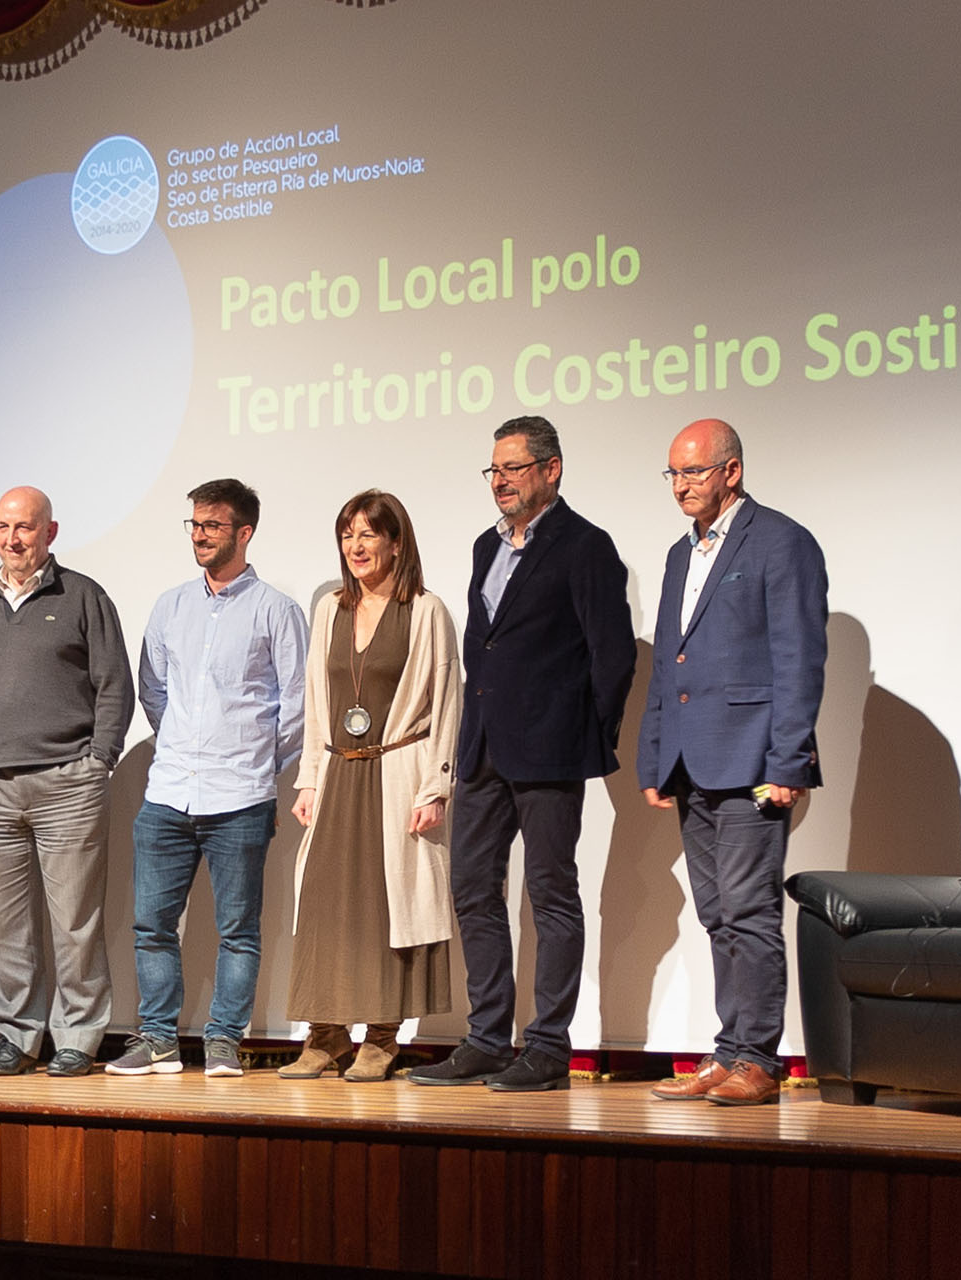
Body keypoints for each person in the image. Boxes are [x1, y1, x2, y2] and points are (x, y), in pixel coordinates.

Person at [410, 416, 635, 1093]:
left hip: (551, 752)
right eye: (494, 470)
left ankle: (547, 1047)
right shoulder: (487, 546)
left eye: (513, 468)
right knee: (473, 888)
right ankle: (486, 1038)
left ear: (551, 469)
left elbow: (613, 656)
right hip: (482, 750)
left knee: (549, 894)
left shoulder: (586, 546)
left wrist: (581, 733)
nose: (501, 481)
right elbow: (484, 648)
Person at [638, 419, 827, 1106]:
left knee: (749, 910)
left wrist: (789, 761)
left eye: (693, 472)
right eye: (674, 474)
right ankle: (727, 1051)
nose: (681, 486)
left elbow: (799, 659)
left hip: (754, 759)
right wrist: (657, 756)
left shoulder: (782, 543)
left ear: (731, 471)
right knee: (716, 912)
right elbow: (669, 662)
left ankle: (759, 1060)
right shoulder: (677, 555)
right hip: (693, 759)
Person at [104, 480, 308, 1079]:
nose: (199, 534)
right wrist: (184, 749)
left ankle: (223, 1040)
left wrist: (251, 763)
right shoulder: (169, 606)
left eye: (212, 525)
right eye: (194, 524)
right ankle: (159, 1040)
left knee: (238, 929)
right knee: (151, 926)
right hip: (168, 793)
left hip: (241, 796)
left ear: (244, 533)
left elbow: (294, 709)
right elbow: (154, 689)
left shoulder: (276, 610)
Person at [0, 486, 132, 1078]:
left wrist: (98, 759)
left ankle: (77, 1036)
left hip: (67, 783)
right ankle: (16, 1036)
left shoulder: (82, 596)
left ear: (50, 532)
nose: (12, 539)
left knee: (75, 921)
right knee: (4, 926)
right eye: (3, 527)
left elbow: (114, 686)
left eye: (25, 527)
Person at [280, 490, 462, 1083]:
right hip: (338, 772)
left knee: (390, 908)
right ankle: (324, 1035)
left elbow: (446, 702)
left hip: (397, 772)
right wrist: (309, 777)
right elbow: (315, 702)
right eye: (347, 534)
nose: (355, 546)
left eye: (368, 534)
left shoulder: (426, 610)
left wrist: (435, 786)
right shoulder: (329, 609)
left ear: (396, 542)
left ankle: (382, 1037)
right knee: (326, 909)